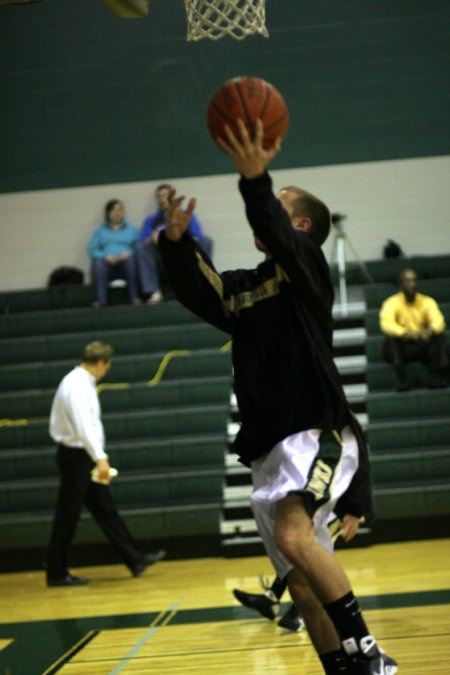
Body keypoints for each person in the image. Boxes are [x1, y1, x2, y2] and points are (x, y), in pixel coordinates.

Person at [157, 120, 397, 674]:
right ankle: (342, 669)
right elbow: (207, 292)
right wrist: (175, 245)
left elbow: (276, 228)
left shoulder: (307, 267)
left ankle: (369, 655)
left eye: (279, 206)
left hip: (315, 431)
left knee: (294, 533)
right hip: (268, 448)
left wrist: (254, 179)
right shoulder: (249, 287)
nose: (267, 213)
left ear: (301, 225)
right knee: (300, 587)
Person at [46, 341, 166, 586]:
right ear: (102, 362)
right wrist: (99, 457)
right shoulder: (77, 385)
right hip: (77, 457)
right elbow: (83, 427)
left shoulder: (78, 382)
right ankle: (56, 572)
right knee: (67, 516)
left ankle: (135, 559)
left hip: (81, 456)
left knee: (105, 510)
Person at [233, 512, 362, 633]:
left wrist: (356, 510)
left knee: (313, 552)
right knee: (299, 548)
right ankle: (272, 598)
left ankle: (301, 609)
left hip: (340, 507)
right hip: (321, 502)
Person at [136, 183, 213, 304]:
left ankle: (202, 285)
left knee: (206, 241)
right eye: (159, 196)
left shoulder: (185, 215)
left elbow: (197, 236)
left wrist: (177, 237)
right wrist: (153, 239)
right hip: (162, 259)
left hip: (184, 257)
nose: (162, 199)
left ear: (172, 197)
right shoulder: (151, 220)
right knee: (141, 247)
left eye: (165, 195)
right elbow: (142, 241)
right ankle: (153, 291)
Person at [380, 268, 448, 391]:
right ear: (400, 284)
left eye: (414, 281)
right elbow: (387, 324)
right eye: (407, 281)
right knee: (390, 340)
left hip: (422, 343)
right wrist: (406, 333)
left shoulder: (427, 301)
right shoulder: (391, 302)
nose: (411, 284)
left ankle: (437, 377)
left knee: (439, 337)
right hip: (404, 346)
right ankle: (403, 380)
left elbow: (439, 321)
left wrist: (429, 331)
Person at [88, 199, 141, 307]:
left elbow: (139, 247)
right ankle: (102, 300)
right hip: (107, 265)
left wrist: (129, 253)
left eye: (120, 209)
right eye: (114, 210)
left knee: (131, 261)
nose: (117, 212)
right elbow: (92, 249)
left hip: (126, 263)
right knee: (98, 264)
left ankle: (135, 298)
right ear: (108, 213)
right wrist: (104, 257)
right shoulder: (100, 232)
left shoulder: (132, 230)